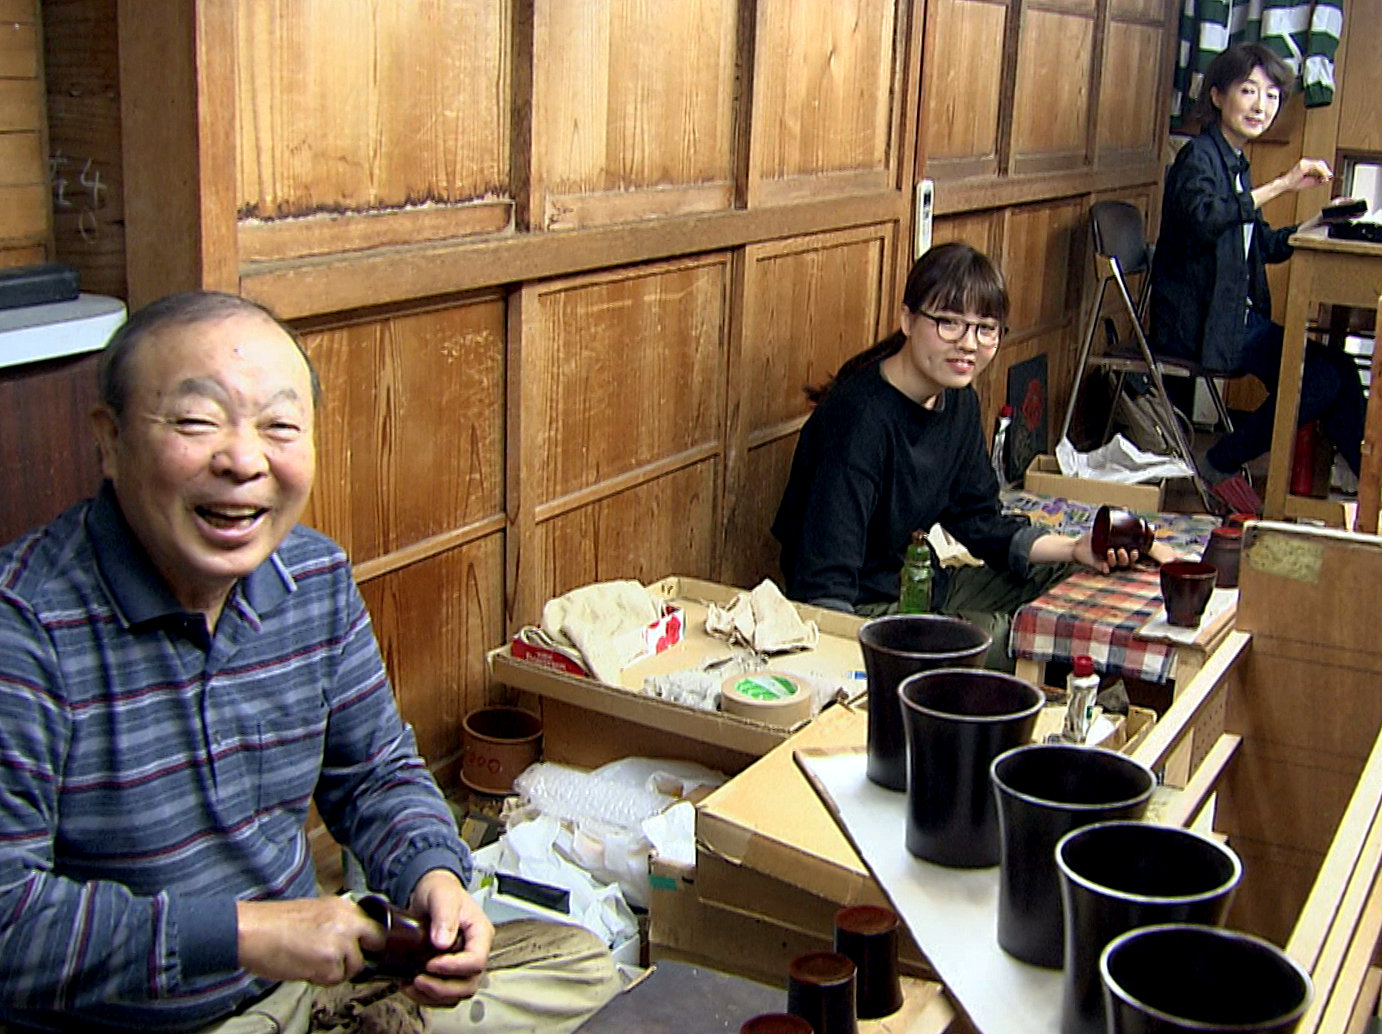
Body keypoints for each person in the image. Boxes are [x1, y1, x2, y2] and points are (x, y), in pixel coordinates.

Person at [0, 292, 621, 1034]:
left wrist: (434, 874)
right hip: (143, 1023)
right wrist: (247, 934)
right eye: (196, 422)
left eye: (280, 426)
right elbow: (10, 920)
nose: (243, 460)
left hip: (305, 996)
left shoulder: (313, 578)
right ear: (110, 441)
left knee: (580, 963)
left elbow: (376, 774)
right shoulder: (24, 625)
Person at [772, 242, 1176, 669]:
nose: (968, 344)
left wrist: (1077, 548)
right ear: (907, 320)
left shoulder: (958, 399)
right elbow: (824, 588)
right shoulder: (859, 420)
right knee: (1006, 636)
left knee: (1083, 583)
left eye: (986, 328)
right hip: (863, 612)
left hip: (925, 586)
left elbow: (979, 519)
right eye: (949, 323)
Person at [1149, 41, 1366, 516]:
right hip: (1198, 324)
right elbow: (1209, 218)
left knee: (1340, 371)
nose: (1260, 106)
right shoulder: (1197, 158)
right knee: (1319, 379)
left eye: (1271, 95)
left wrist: (1316, 224)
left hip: (1233, 318)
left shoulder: (1235, 162)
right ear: (1217, 95)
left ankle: (1373, 494)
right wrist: (1284, 183)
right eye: (1248, 91)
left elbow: (1261, 244)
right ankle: (1221, 460)